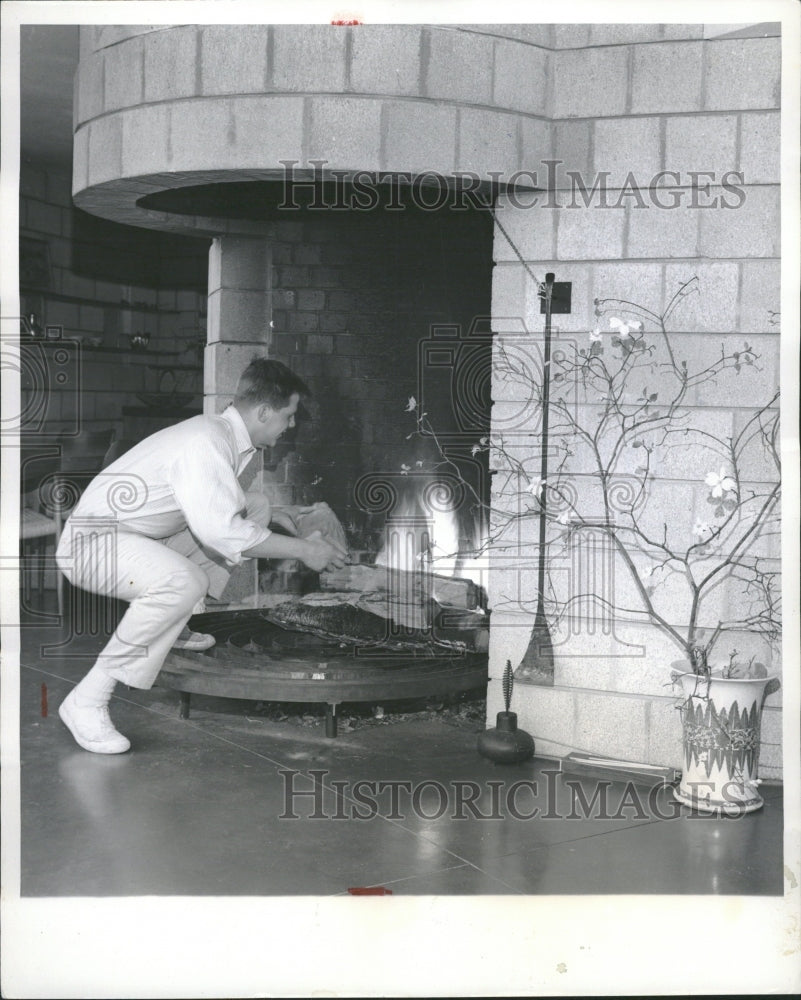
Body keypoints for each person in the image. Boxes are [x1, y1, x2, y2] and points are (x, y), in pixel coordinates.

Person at [55, 358, 347, 754]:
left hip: (130, 536)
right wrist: (305, 550)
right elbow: (221, 531)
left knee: (256, 506)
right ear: (264, 412)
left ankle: (178, 624)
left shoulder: (224, 435)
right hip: (93, 545)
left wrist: (287, 515)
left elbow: (226, 503)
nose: (291, 425)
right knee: (184, 581)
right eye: (288, 415)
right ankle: (87, 701)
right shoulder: (207, 441)